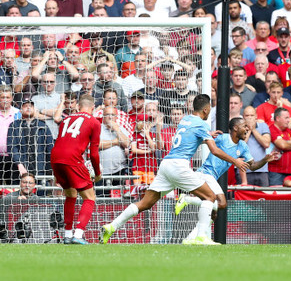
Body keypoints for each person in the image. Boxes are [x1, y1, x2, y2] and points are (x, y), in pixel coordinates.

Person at [100, 94, 250, 245]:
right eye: (209, 110)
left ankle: (112, 226)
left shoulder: (186, 119)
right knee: (210, 197)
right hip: (179, 166)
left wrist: (208, 135)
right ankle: (201, 237)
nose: (209, 113)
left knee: (145, 203)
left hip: (166, 165)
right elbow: (215, 150)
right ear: (205, 110)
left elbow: (189, 137)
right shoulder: (202, 124)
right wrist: (235, 161)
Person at [175, 117, 274, 241]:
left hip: (212, 177)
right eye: (244, 126)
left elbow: (252, 166)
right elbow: (201, 140)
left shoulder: (243, 146)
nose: (247, 129)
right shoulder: (222, 138)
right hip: (205, 173)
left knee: (213, 213)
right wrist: (208, 135)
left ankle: (190, 238)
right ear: (236, 128)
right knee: (222, 203)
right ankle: (187, 199)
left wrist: (265, 159)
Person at [50, 95, 101, 245]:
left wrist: (56, 173)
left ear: (78, 107)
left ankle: (67, 235)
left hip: (55, 158)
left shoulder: (66, 120)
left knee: (71, 194)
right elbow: (94, 153)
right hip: (72, 158)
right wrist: (97, 173)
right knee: (90, 197)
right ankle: (78, 234)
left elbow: (61, 142)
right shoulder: (94, 122)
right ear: (92, 108)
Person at [268, 107, 291, 185]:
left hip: (289, 171)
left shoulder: (287, 130)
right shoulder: (272, 129)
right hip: (276, 173)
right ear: (278, 118)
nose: (288, 120)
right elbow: (282, 145)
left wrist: (286, 143)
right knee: (276, 196)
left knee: (288, 196)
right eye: (286, 118)